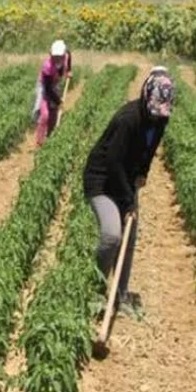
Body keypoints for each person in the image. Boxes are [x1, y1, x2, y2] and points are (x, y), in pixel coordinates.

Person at [83, 66, 174, 313]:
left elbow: (150, 149)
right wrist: (128, 199)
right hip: (102, 180)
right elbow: (113, 163)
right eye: (154, 110)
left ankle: (120, 296)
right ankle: (95, 291)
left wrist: (143, 173)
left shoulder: (160, 119)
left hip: (126, 178)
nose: (157, 116)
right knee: (112, 235)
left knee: (130, 236)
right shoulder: (128, 119)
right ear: (146, 97)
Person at [33, 40, 72, 146]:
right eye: (55, 56)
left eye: (59, 56)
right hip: (45, 86)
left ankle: (51, 136)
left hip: (55, 84)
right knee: (44, 114)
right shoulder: (47, 67)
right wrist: (58, 101)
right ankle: (40, 140)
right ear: (51, 55)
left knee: (54, 112)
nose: (57, 58)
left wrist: (69, 70)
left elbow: (69, 55)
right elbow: (48, 89)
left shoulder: (65, 56)